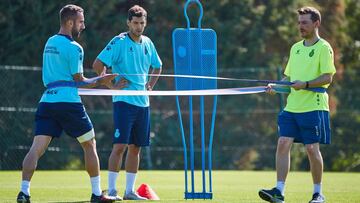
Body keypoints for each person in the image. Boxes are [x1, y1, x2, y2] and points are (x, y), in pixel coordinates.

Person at [16, 4, 117, 203]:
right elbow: (79, 82)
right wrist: (101, 81)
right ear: (70, 22)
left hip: (47, 101)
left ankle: (23, 192)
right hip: (68, 102)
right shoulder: (75, 48)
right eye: (81, 22)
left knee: (36, 149)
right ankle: (97, 194)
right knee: (90, 144)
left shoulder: (50, 42)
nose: (83, 26)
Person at [258, 6, 336, 203]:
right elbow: (289, 79)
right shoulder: (296, 48)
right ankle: (279, 191)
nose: (300, 26)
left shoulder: (324, 48)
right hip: (292, 107)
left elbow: (328, 77)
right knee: (283, 143)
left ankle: (318, 193)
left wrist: (307, 84)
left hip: (314, 106)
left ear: (316, 23)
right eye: (299, 22)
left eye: (305, 23)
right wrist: (276, 87)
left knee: (311, 149)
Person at [93, 5, 162, 201]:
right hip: (124, 102)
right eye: (135, 23)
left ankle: (130, 191)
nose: (139, 27)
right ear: (128, 23)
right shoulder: (119, 41)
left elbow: (158, 66)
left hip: (143, 103)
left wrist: (150, 84)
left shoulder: (148, 43)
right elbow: (98, 64)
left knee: (136, 147)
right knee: (120, 146)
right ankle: (113, 190)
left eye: (142, 23)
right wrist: (111, 85)